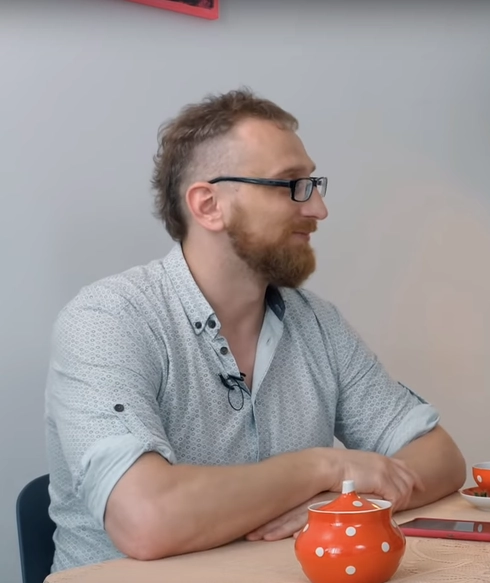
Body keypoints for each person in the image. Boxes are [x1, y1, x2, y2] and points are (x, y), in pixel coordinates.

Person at [43, 88, 466, 572]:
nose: (318, 209)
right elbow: (145, 519)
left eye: (313, 183)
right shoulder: (107, 320)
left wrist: (339, 501)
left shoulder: (317, 323)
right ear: (208, 205)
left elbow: (441, 458)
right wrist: (326, 467)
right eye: (290, 184)